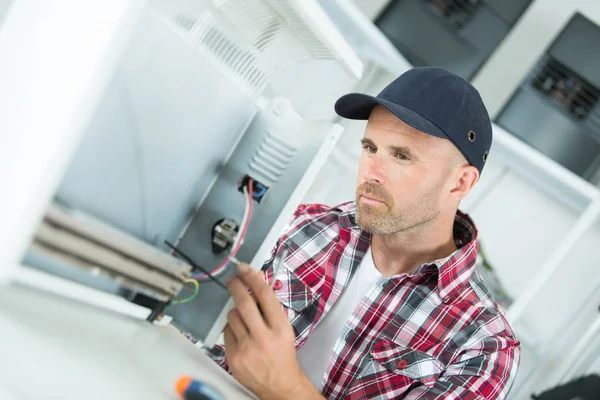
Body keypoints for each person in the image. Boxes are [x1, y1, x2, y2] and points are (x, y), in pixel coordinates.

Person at [204, 67, 521, 399]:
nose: (372, 172)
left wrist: (285, 388)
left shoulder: (484, 346)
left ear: (460, 183)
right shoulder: (303, 228)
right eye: (371, 148)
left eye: (401, 156)